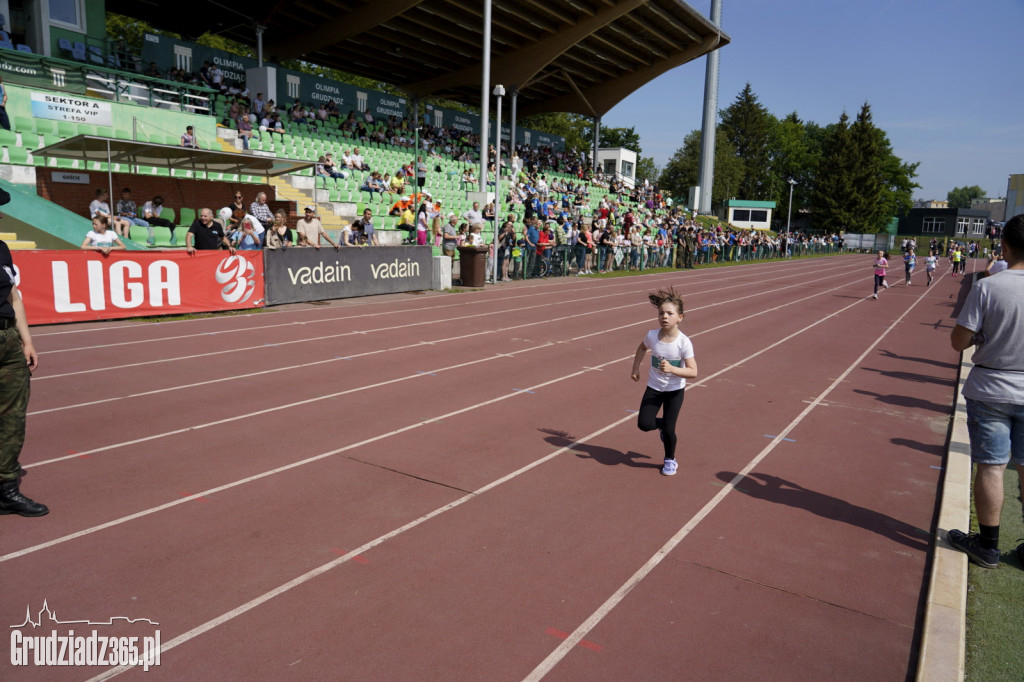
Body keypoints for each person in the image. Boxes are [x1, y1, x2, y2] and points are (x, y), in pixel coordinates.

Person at [947, 214, 1024, 569]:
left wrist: (980, 336)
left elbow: (958, 341)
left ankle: (988, 546)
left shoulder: (989, 286)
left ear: (1004, 246)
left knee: (992, 468)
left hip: (992, 387)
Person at [0, 235, 47, 516]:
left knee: (12, 417)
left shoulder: (1, 249)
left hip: (8, 341)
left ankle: (6, 488)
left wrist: (27, 341)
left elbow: (13, 297)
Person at [630, 287, 698, 477]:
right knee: (643, 424)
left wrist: (673, 369)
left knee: (670, 430)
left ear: (680, 318)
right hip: (654, 388)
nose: (664, 317)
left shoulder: (684, 343)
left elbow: (693, 371)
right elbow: (641, 348)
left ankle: (670, 459)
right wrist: (635, 368)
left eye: (670, 313)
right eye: (661, 313)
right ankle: (660, 424)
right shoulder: (652, 335)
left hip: (675, 391)